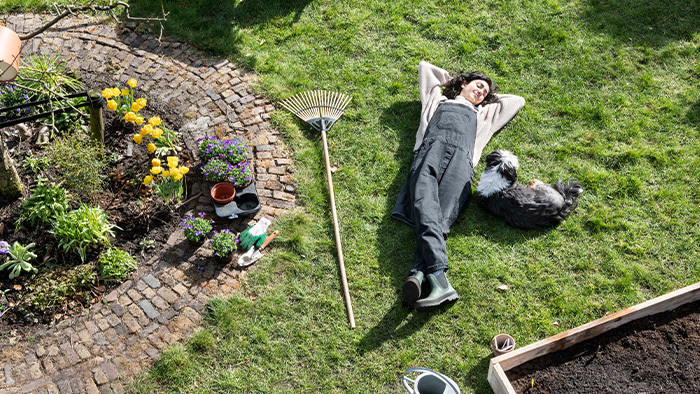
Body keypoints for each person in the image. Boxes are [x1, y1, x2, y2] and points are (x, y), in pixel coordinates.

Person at [392, 61, 525, 309]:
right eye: (478, 86)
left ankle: (420, 274)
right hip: (429, 151)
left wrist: (487, 96)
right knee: (423, 204)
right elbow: (426, 69)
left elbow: (516, 101)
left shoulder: (484, 114)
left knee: (441, 216)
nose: (481, 92)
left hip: (461, 162)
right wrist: (454, 84)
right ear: (463, 84)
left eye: (485, 93)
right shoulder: (438, 101)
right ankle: (438, 278)